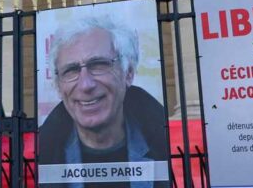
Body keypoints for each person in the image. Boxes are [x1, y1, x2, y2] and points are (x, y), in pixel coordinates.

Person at [39, 15, 167, 188]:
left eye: (99, 64)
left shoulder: (172, 149)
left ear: (128, 73)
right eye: (71, 70)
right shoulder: (34, 160)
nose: (86, 85)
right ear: (58, 86)